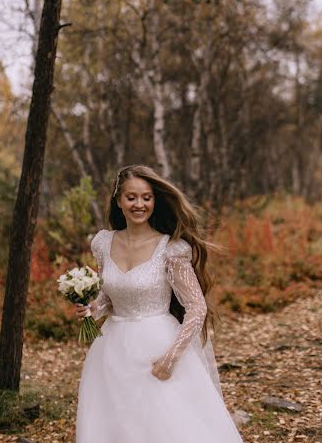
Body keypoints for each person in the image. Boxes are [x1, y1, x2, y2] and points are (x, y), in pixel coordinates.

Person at [75, 164, 244, 443]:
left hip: (158, 347)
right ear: (119, 201)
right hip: (112, 351)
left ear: (154, 200)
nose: (139, 204)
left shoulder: (171, 248)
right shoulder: (103, 243)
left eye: (146, 197)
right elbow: (109, 297)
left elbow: (196, 307)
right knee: (117, 424)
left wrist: (171, 357)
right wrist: (91, 309)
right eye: (131, 197)